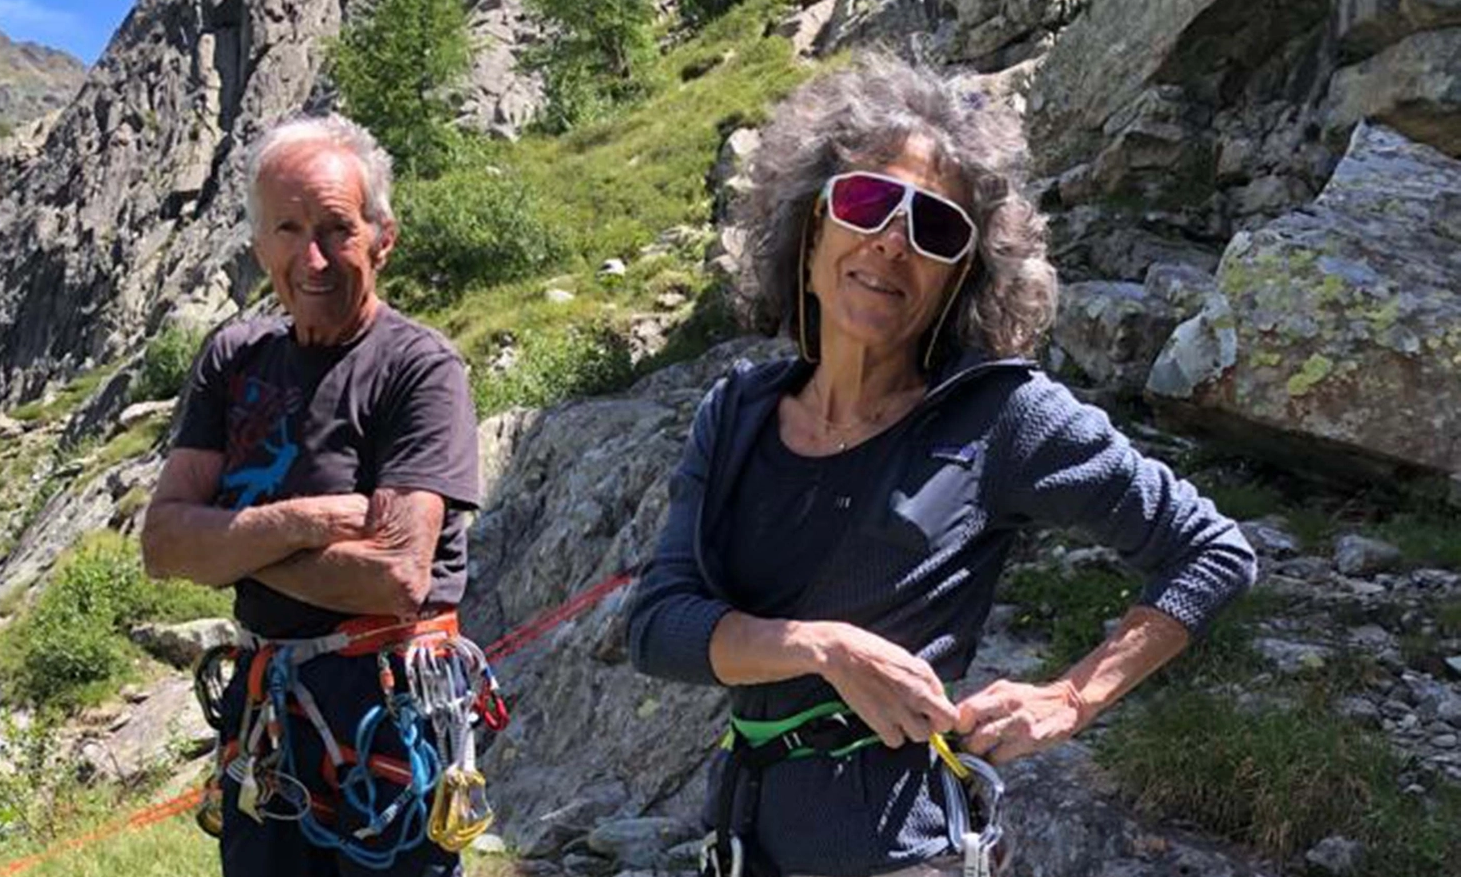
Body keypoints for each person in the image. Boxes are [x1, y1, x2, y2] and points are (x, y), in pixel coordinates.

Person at [625, 54, 1257, 877]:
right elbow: (656, 626)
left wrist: (1071, 697)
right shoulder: (737, 413)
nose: (892, 242)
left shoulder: (1000, 415)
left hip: (901, 852)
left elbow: (1212, 552)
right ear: (811, 226)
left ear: (963, 275)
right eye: (867, 201)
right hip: (742, 844)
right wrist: (821, 648)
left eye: (937, 228)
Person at [140, 113, 480, 877]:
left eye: (337, 227)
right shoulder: (235, 356)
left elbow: (395, 577)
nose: (313, 256)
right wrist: (305, 522)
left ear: (382, 237)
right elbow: (161, 545)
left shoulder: (419, 370)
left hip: (387, 714)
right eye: (287, 229)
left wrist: (225, 547)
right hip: (267, 716)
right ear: (260, 246)